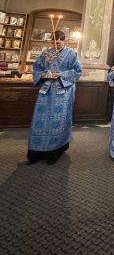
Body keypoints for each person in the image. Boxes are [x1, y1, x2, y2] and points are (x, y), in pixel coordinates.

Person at [27, 30, 82, 164]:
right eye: (53, 43)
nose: (55, 45)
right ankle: (36, 152)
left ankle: (54, 151)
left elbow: (78, 71)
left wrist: (61, 75)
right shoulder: (46, 53)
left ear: (64, 41)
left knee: (57, 121)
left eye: (58, 43)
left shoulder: (71, 54)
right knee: (40, 119)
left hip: (62, 92)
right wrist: (42, 74)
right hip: (46, 91)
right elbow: (37, 68)